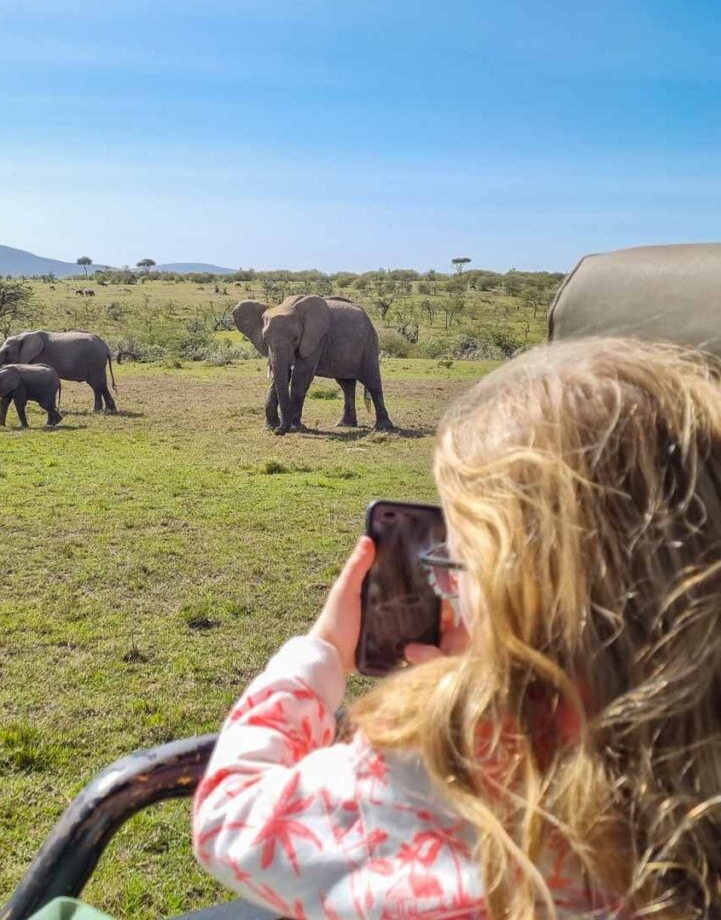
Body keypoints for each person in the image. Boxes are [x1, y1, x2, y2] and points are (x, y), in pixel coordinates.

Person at [192, 338, 721, 919]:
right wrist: (493, 651)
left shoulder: (444, 758)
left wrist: (319, 653)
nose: (443, 572)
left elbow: (231, 818)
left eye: (457, 556)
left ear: (499, 583)